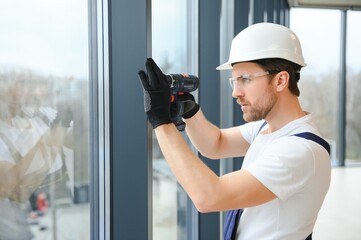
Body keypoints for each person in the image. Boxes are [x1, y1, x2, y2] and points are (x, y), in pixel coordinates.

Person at [138, 22, 331, 240]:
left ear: (280, 80)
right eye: (234, 81)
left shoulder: (300, 149)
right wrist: (189, 111)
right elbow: (216, 143)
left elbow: (209, 197)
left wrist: (161, 121)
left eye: (245, 80)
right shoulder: (268, 128)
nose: (235, 93)